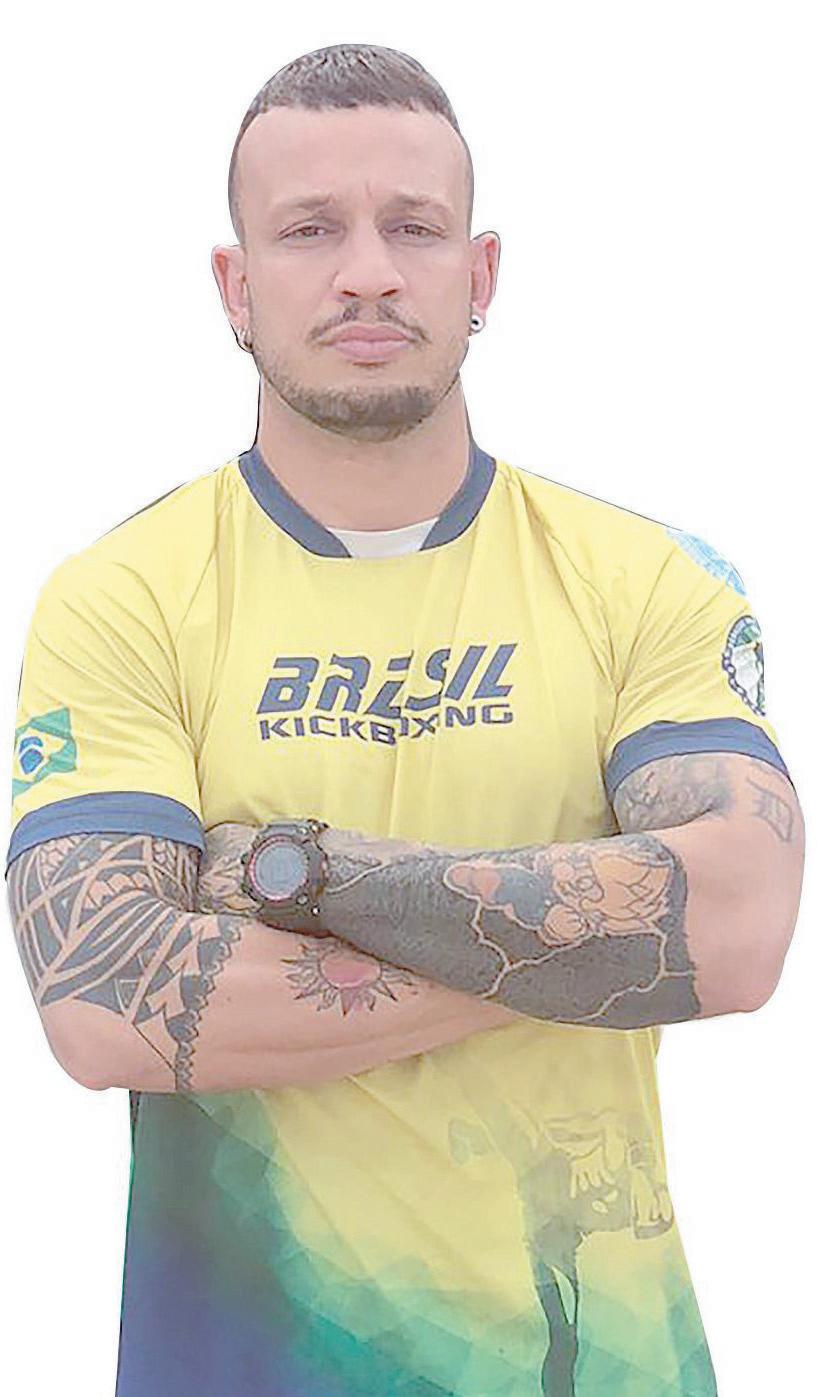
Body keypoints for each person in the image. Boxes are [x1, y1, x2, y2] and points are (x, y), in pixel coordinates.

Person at [5, 41, 804, 1397]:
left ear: (480, 275)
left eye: (413, 228)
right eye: (309, 229)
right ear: (235, 285)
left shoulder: (646, 579)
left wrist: (298, 876)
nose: (366, 270)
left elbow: (734, 930)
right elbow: (102, 999)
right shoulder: (120, 596)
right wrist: (590, 941)